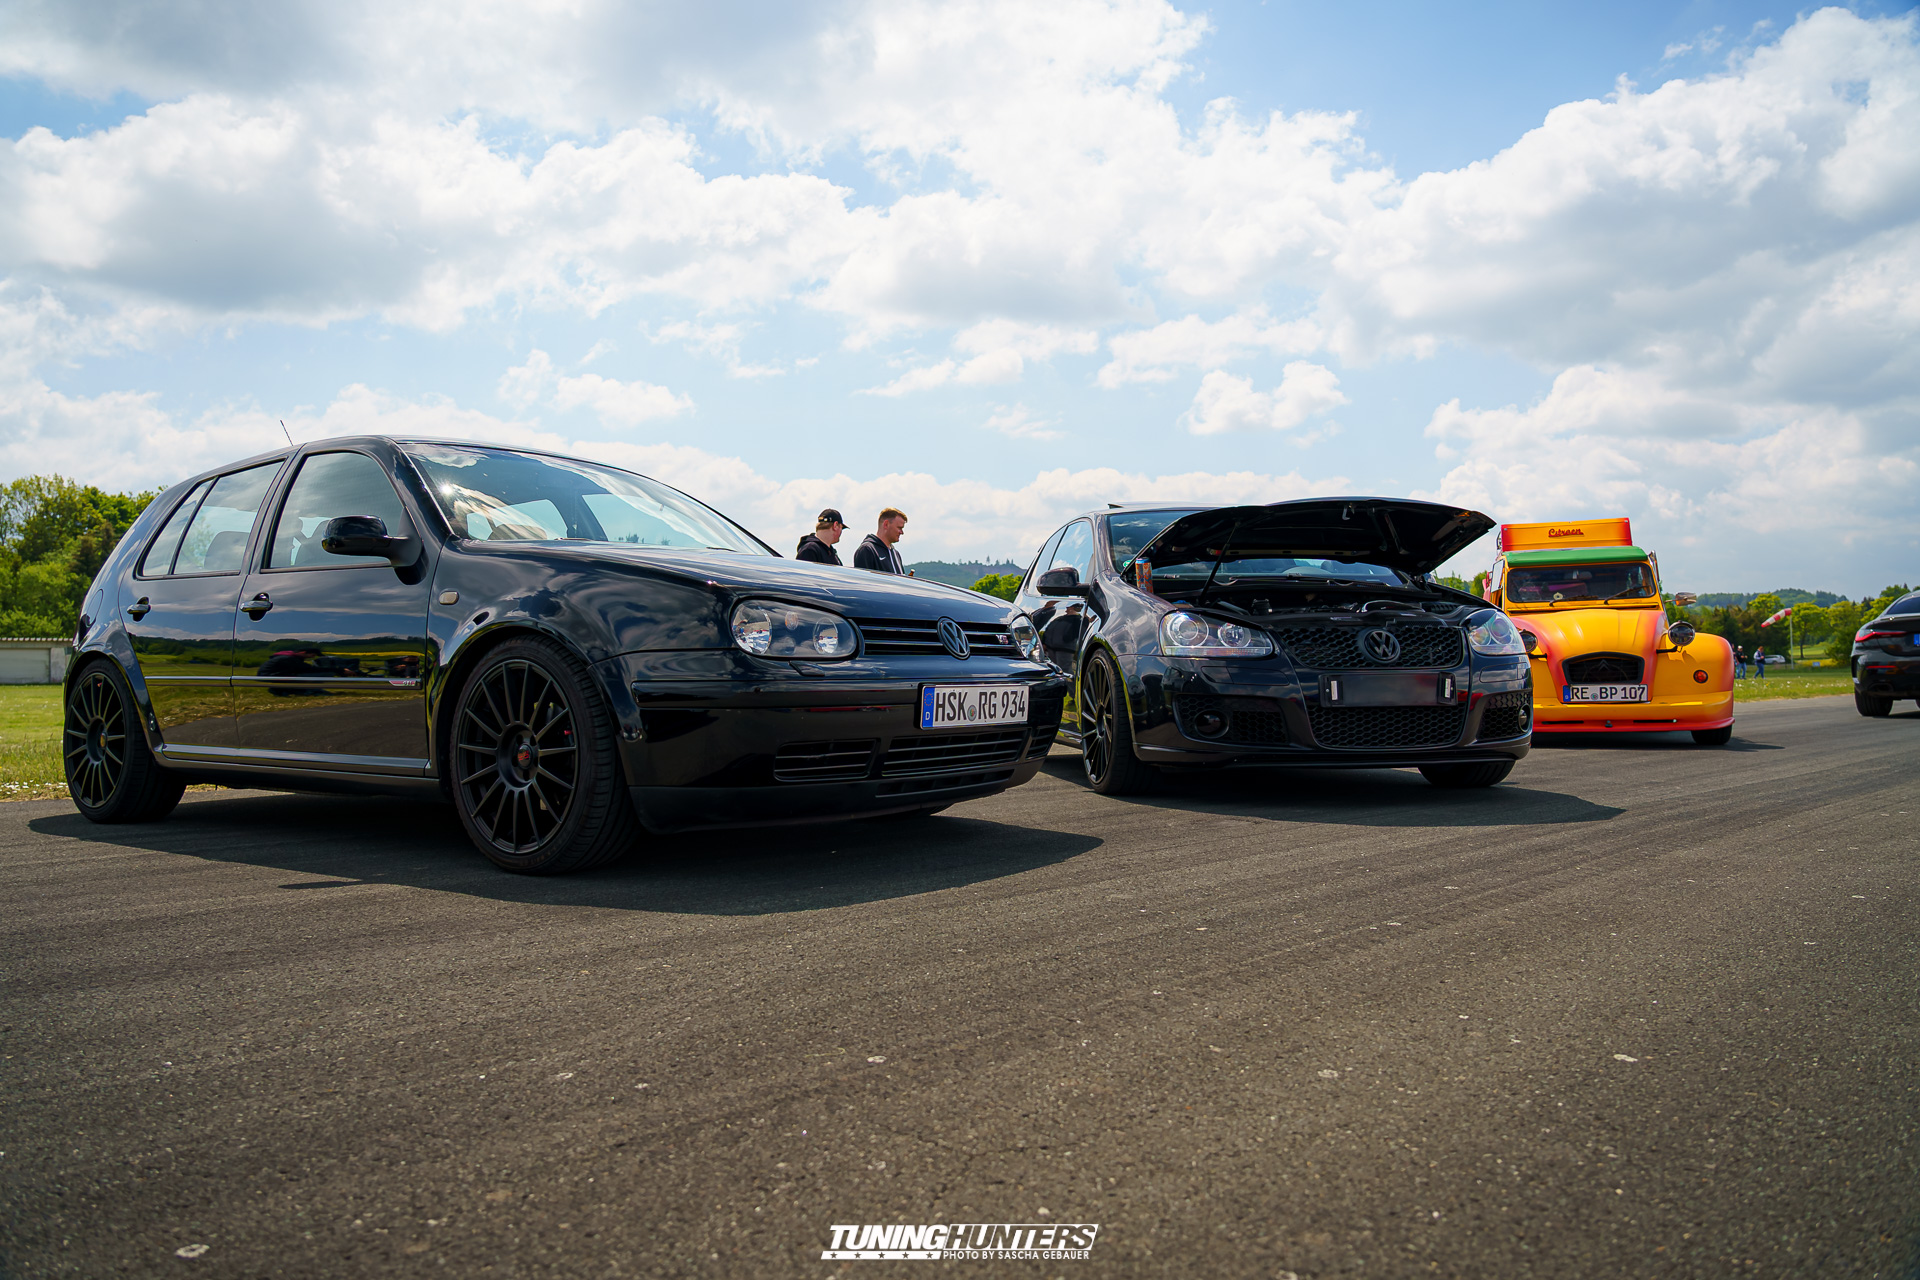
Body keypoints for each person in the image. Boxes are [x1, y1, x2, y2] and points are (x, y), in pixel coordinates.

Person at [853, 507, 908, 574]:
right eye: (899, 528)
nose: (902, 532)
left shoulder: (896, 554)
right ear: (886, 524)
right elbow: (863, 579)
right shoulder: (867, 550)